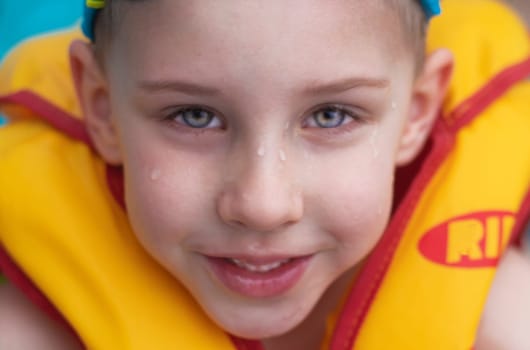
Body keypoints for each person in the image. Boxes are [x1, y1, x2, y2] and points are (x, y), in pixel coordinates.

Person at [0, 0, 529, 349]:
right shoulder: (33, 326)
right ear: (103, 108)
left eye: (331, 115)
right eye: (194, 115)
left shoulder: (500, 323)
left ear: (416, 113)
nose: (263, 204)